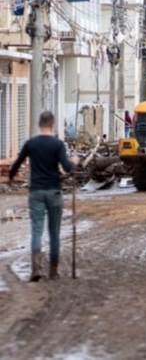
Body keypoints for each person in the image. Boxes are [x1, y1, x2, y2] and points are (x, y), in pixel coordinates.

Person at [9, 112, 76, 282]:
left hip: (36, 191)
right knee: (54, 232)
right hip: (54, 191)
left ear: (40, 124)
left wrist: (10, 178)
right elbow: (67, 168)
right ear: (52, 124)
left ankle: (36, 269)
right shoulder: (58, 144)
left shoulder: (31, 144)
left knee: (37, 230)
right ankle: (53, 271)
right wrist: (74, 161)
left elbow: (16, 164)